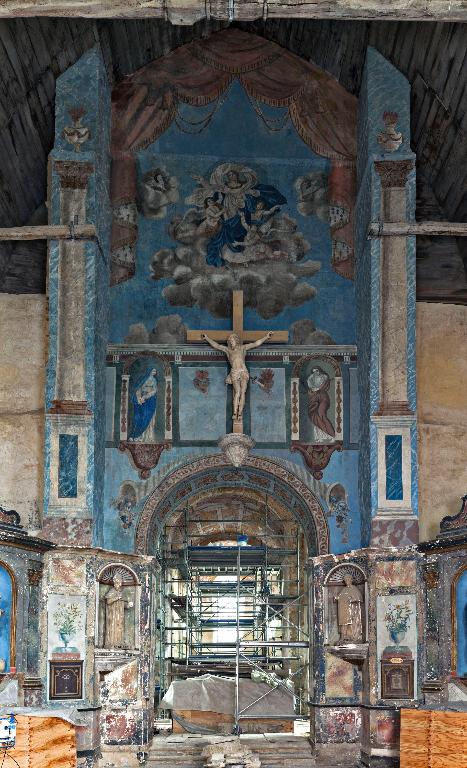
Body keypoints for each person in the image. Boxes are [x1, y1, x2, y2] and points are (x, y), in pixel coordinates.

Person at [201, 331, 273, 421]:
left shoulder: (243, 348)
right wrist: (207, 338)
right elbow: (217, 346)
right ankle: (235, 412)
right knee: (237, 392)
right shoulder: (228, 350)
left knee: (243, 392)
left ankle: (240, 413)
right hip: (234, 372)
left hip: (243, 372)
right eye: (229, 341)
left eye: (232, 340)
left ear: (236, 340)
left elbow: (255, 344)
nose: (231, 342)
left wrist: (266, 337)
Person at [104, 574, 134, 649]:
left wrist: (128, 605)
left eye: (120, 583)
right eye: (118, 583)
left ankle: (119, 643)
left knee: (119, 627)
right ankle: (111, 643)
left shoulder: (121, 592)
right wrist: (117, 597)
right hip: (112, 615)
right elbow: (108, 601)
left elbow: (122, 603)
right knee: (112, 628)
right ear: (115, 583)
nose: (119, 585)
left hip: (120, 614)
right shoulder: (112, 591)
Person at [335, 575, 363, 643]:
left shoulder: (354, 588)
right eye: (345, 580)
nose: (347, 581)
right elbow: (339, 597)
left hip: (352, 610)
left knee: (352, 623)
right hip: (344, 610)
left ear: (351, 580)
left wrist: (351, 599)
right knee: (344, 623)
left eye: (348, 579)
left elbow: (358, 598)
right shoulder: (344, 589)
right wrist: (337, 598)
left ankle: (354, 638)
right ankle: (343, 637)